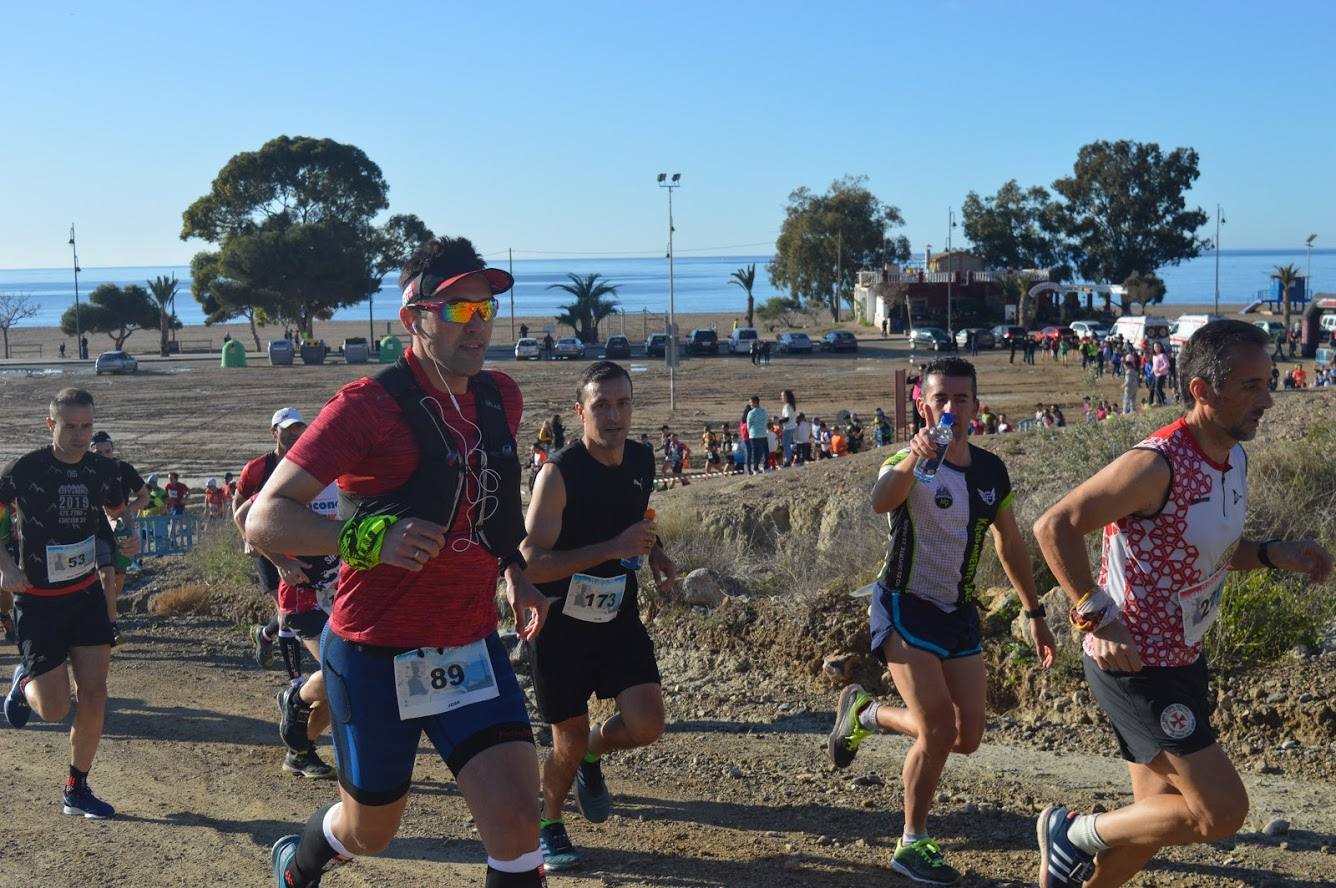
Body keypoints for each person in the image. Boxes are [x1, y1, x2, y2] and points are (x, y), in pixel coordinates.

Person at [250, 235, 551, 888]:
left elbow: (484, 505)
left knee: (517, 819)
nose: (479, 325)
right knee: (371, 832)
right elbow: (266, 518)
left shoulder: (501, 397)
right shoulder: (368, 407)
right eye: (460, 311)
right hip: (373, 653)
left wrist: (514, 572)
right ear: (414, 319)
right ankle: (298, 863)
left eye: (486, 310)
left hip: (469, 648)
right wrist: (370, 536)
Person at [1032, 319, 1335, 887]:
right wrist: (1095, 612)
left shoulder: (1231, 458)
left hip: (1183, 657)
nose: (1267, 400)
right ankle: (1069, 833)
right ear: (1202, 391)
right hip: (1134, 665)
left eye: (1268, 383)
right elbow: (1055, 525)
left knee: (1151, 825)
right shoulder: (1156, 465)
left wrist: (1275, 554)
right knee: (1220, 811)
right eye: (1250, 387)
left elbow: (1209, 550)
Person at [828, 358, 1056, 885]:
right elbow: (880, 500)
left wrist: (1034, 612)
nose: (952, 409)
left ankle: (866, 713)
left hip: (958, 612)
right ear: (922, 404)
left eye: (962, 399)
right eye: (941, 399)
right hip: (903, 604)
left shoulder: (990, 471)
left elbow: (1009, 542)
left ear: (977, 405)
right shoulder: (904, 459)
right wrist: (913, 459)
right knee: (937, 727)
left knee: (966, 736)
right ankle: (912, 841)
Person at [522, 361, 678, 871]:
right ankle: (548, 821)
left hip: (616, 614)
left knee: (647, 724)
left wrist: (654, 553)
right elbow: (532, 563)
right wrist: (610, 547)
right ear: (580, 412)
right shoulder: (558, 475)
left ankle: (592, 752)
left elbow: (637, 519)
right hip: (559, 624)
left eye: (623, 403)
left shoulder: (641, 458)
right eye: (602, 406)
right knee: (562, 741)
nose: (614, 416)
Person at [2, 388, 139, 819]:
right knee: (56, 708)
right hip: (38, 602)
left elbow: (118, 511)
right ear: (51, 425)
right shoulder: (24, 470)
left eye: (86, 426)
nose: (80, 436)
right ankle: (24, 683)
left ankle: (76, 787)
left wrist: (127, 531)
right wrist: (5, 566)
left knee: (95, 693)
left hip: (84, 595)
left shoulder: (103, 469)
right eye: (70, 427)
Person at [235, 458, 340, 779]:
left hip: (342, 592)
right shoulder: (300, 479)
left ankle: (300, 749)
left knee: (344, 681)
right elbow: (244, 515)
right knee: (341, 672)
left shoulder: (352, 479)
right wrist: (277, 559)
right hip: (302, 597)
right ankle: (295, 699)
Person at [237, 407, 310, 679]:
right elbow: (239, 503)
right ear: (273, 432)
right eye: (288, 429)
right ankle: (296, 682)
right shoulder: (257, 468)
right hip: (267, 547)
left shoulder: (307, 465)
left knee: (291, 611)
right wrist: (247, 536)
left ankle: (264, 635)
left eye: (299, 428)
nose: (294, 434)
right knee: (286, 611)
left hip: (300, 545)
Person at [89, 431, 149, 642]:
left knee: (119, 578)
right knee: (106, 574)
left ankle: (104, 612)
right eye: (98, 452)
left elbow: (144, 496)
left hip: (120, 530)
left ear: (112, 450)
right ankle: (111, 626)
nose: (104, 455)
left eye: (107, 451)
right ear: (91, 452)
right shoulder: (86, 469)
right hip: (95, 531)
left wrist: (128, 511)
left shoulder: (123, 469)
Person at [744, 396, 769, 475]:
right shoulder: (764, 411)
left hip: (754, 435)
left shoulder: (751, 413)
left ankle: (755, 468)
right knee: (764, 451)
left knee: (755, 452)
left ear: (755, 402)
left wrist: (750, 432)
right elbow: (766, 421)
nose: (750, 404)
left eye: (751, 402)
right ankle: (766, 467)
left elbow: (748, 425)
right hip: (763, 434)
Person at [780, 389, 798, 466]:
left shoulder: (787, 406)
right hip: (792, 427)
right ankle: (789, 459)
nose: (781, 397)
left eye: (783, 395)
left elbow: (787, 418)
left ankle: (788, 461)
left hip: (788, 428)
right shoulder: (791, 405)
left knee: (785, 444)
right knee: (787, 444)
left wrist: (779, 421)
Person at [1150, 342, 1171, 406]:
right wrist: (1152, 370)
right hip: (1155, 374)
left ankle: (1162, 401)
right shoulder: (1154, 356)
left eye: (1158, 347)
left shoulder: (1162, 355)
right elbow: (1154, 365)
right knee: (1156, 388)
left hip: (1162, 374)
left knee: (1158, 388)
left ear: (1161, 347)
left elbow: (1167, 364)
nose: (1157, 348)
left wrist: (1160, 370)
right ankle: (1159, 401)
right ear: (1153, 348)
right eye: (1155, 347)